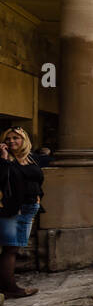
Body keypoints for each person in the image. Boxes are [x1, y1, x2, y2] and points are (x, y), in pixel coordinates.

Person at [0, 127, 44, 297]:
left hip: (30, 207)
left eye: (16, 138)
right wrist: (4, 158)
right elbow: (2, 179)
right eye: (8, 138)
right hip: (11, 209)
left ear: (23, 140)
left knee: (15, 247)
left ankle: (6, 286)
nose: (11, 141)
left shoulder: (31, 158)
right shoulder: (5, 160)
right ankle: (11, 289)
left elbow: (38, 180)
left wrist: (39, 198)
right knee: (10, 249)